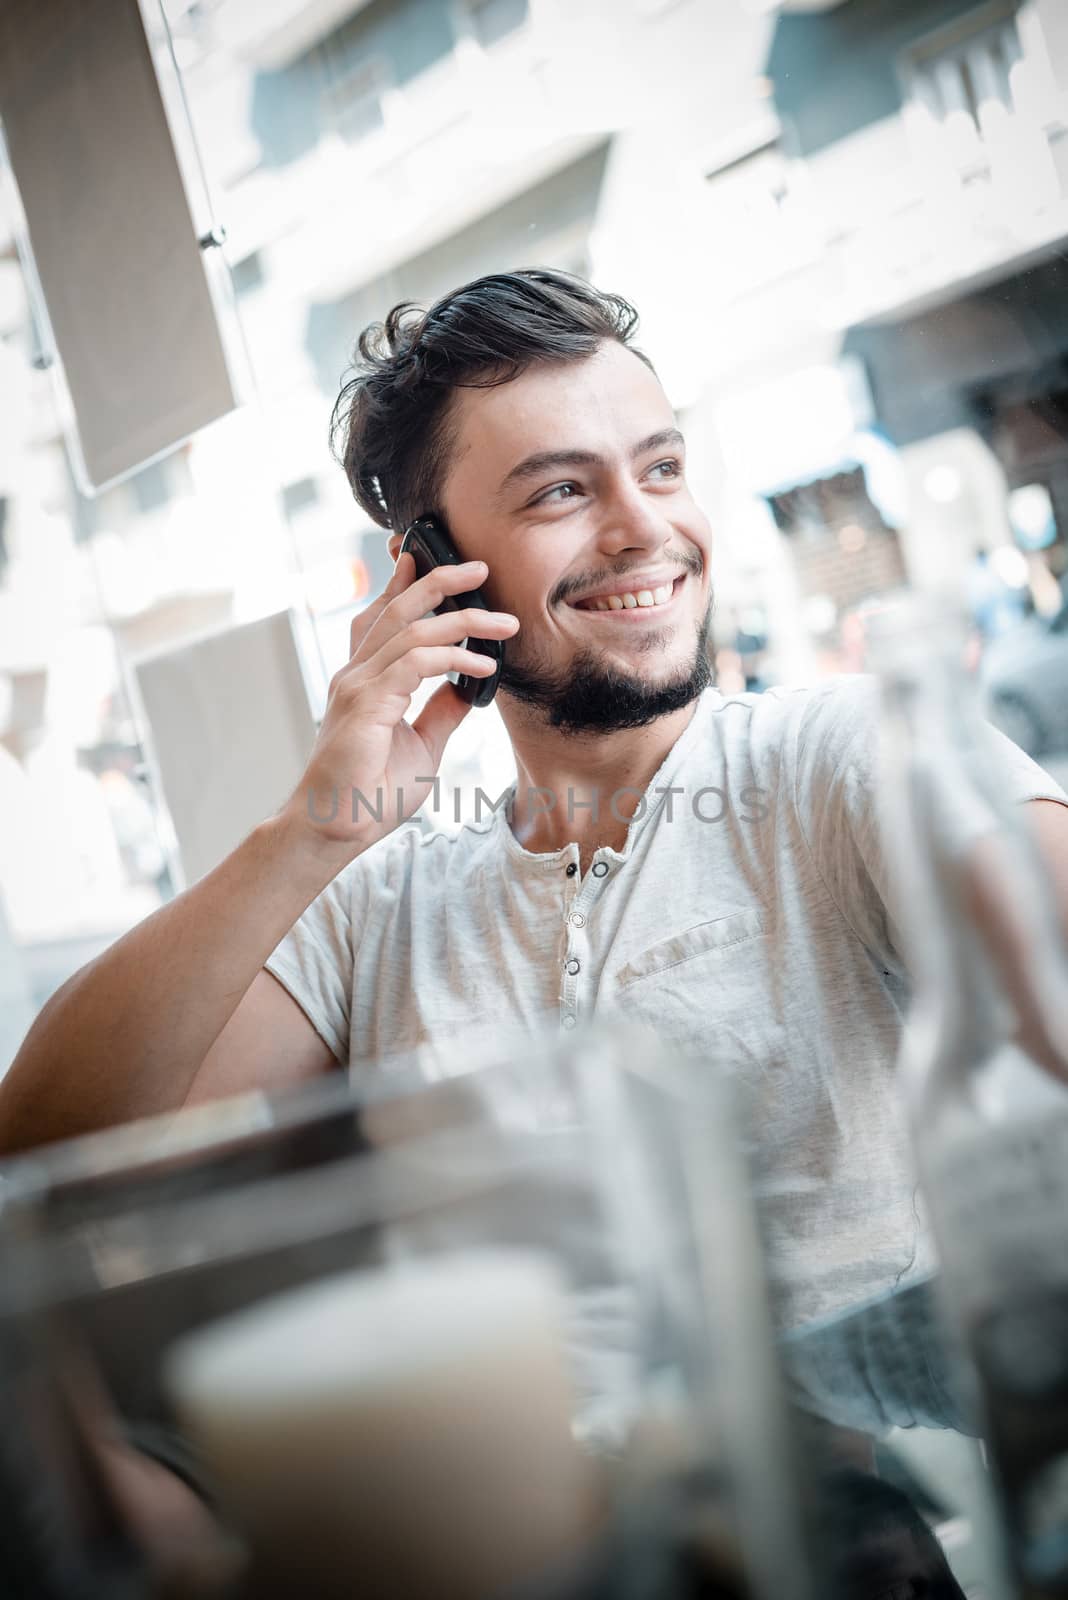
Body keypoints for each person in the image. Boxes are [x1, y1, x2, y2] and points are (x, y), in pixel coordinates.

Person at [3, 269, 1068, 1332]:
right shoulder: (372, 908)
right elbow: (49, 1158)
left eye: (662, 467)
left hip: (847, 1480)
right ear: (435, 567)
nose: (644, 526)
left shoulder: (845, 756)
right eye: (562, 490)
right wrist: (310, 833)